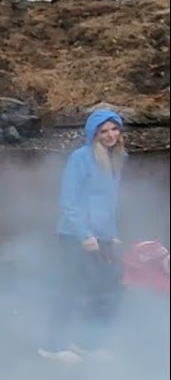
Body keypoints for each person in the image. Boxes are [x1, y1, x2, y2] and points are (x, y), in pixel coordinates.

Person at [39, 108, 126, 364]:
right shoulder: (80, 158)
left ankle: (89, 343)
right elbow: (69, 200)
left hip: (103, 235)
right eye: (104, 131)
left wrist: (112, 234)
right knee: (71, 289)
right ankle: (54, 346)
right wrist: (84, 235)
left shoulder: (118, 157)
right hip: (75, 235)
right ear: (94, 134)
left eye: (114, 129)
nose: (110, 135)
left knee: (107, 290)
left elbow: (110, 202)